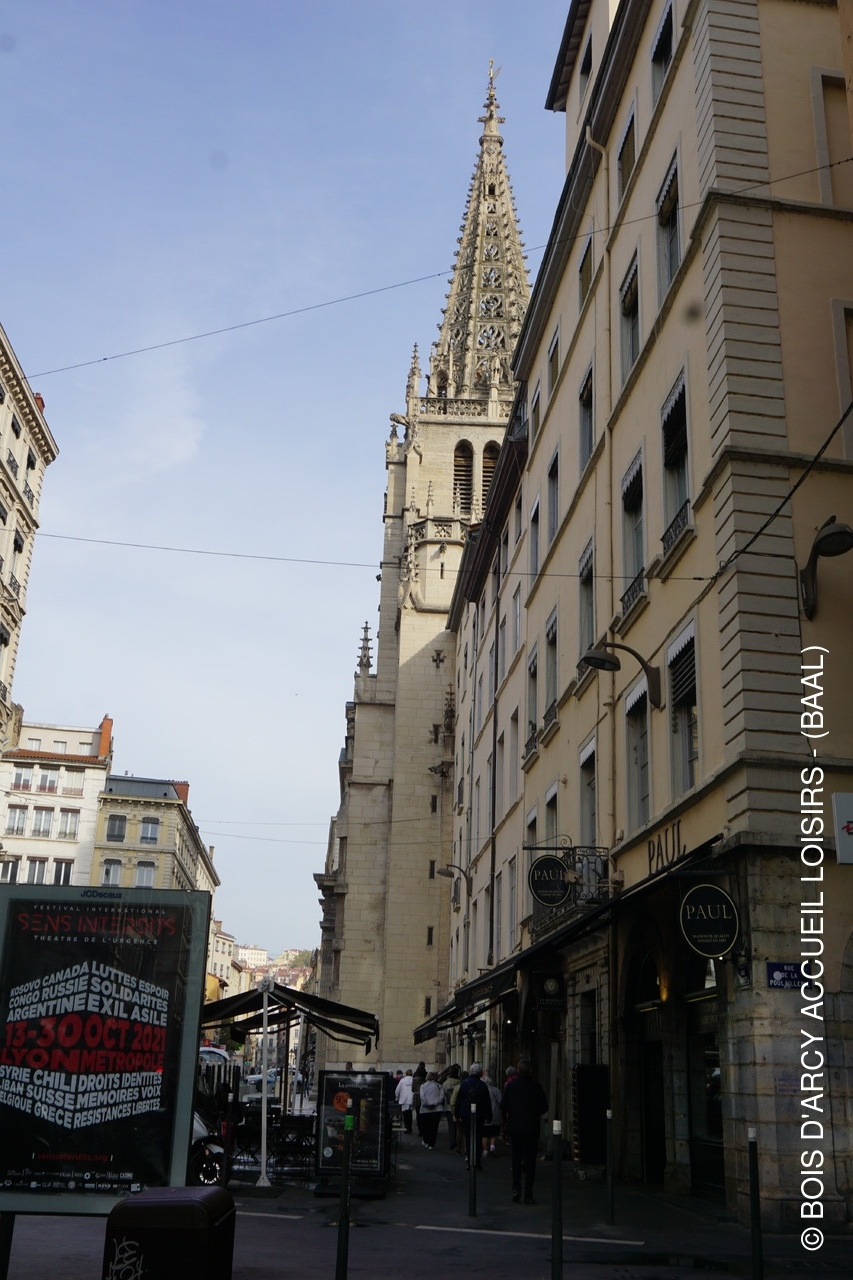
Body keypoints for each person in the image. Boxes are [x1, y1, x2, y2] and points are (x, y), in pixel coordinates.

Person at [500, 1056, 548, 1204]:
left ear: (518, 1071)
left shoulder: (511, 1087)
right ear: (530, 1071)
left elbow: (503, 1106)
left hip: (515, 1128)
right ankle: (528, 1193)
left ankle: (516, 1189)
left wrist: (506, 1122)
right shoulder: (536, 1087)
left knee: (516, 1160)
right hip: (531, 1129)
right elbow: (544, 1108)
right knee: (530, 1162)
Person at [454, 1062, 491, 1169]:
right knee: (478, 1137)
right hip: (479, 1114)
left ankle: (470, 1161)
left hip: (466, 1113)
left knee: (468, 1136)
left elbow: (459, 1099)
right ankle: (477, 1161)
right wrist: (489, 1116)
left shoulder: (464, 1084)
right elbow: (487, 1102)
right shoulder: (483, 1085)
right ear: (480, 1073)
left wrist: (457, 1114)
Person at [418, 1071, 444, 1149]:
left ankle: (426, 1141)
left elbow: (422, 1097)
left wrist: (427, 1104)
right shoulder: (439, 1086)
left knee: (425, 1126)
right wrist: (434, 1103)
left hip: (425, 1110)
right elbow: (441, 1097)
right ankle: (431, 1144)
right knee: (434, 1127)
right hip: (436, 1109)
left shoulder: (423, 1086)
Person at [481, 1073, 502, 1159]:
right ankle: (492, 1147)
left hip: (484, 1114)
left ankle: (485, 1150)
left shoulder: (481, 1090)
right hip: (495, 1113)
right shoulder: (496, 1090)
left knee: (484, 1133)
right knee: (494, 1132)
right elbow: (500, 1101)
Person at [395, 1068, 415, 1133]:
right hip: (411, 1099)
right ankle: (410, 1127)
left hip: (403, 1099)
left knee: (405, 1115)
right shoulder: (414, 1080)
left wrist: (397, 1097)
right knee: (410, 1114)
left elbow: (397, 1090)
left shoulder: (402, 1081)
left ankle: (407, 1127)